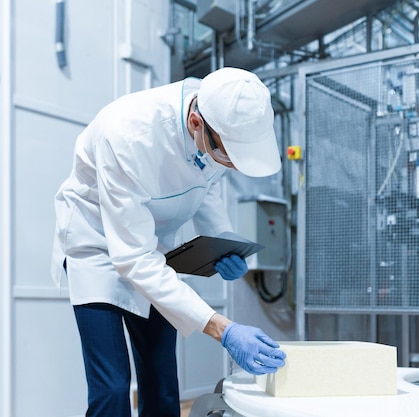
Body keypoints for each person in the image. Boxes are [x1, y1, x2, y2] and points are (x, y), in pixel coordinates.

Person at [51, 67, 287, 417]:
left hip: (153, 250)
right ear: (195, 123)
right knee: (113, 388)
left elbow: (206, 185)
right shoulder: (128, 135)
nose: (231, 165)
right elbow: (132, 259)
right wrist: (223, 329)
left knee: (162, 383)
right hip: (96, 246)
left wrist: (223, 241)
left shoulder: (217, 111)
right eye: (227, 156)